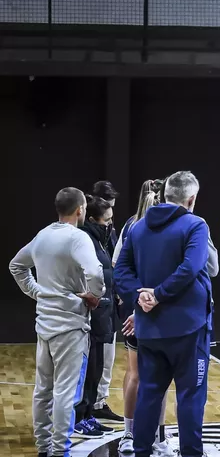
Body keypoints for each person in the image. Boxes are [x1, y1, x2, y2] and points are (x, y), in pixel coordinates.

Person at [115, 171, 220, 457]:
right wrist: (159, 294)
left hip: (150, 328)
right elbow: (192, 267)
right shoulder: (195, 224)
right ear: (191, 199)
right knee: (191, 396)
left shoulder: (137, 227)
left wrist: (140, 294)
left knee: (150, 393)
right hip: (189, 329)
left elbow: (120, 270)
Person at [10, 187, 105, 457]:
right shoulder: (78, 238)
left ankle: (44, 454)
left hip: (45, 325)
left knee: (43, 392)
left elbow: (17, 266)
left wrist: (38, 292)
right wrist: (94, 296)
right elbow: (96, 273)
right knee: (66, 392)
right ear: (80, 210)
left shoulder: (42, 235)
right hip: (70, 326)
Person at [112, 179, 162, 455]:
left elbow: (116, 265)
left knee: (136, 373)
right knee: (153, 375)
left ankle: (130, 434)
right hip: (150, 310)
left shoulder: (131, 225)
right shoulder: (147, 227)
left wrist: (130, 300)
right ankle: (152, 437)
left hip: (139, 308)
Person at [72, 195, 118, 439]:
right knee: (88, 370)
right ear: (91, 219)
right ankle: (79, 417)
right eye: (106, 220)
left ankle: (89, 415)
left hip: (105, 313)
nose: (110, 224)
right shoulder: (85, 240)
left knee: (98, 369)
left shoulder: (102, 239)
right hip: (90, 315)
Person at [91, 179, 124, 422]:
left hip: (110, 303)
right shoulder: (84, 236)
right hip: (94, 306)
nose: (111, 220)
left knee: (107, 357)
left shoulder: (109, 230)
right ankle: (87, 406)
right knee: (94, 359)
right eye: (107, 212)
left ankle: (99, 401)